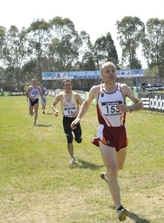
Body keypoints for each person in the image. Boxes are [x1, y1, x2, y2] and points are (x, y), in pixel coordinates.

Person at [70, 61, 143, 221]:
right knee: (113, 170)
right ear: (102, 75)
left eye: (113, 70)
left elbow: (140, 104)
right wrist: (78, 118)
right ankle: (119, 208)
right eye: (107, 71)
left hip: (121, 132)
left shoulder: (123, 89)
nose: (111, 73)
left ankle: (107, 176)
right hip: (105, 133)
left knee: (120, 167)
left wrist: (129, 108)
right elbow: (87, 103)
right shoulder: (96, 90)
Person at [51, 79, 83, 165]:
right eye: (66, 85)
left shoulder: (76, 95)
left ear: (72, 85)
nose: (68, 86)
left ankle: (74, 135)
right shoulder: (60, 96)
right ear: (63, 86)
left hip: (75, 119)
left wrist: (78, 112)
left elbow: (83, 105)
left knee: (79, 140)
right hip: (66, 120)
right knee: (69, 139)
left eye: (69, 85)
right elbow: (52, 104)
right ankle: (72, 157)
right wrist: (55, 110)